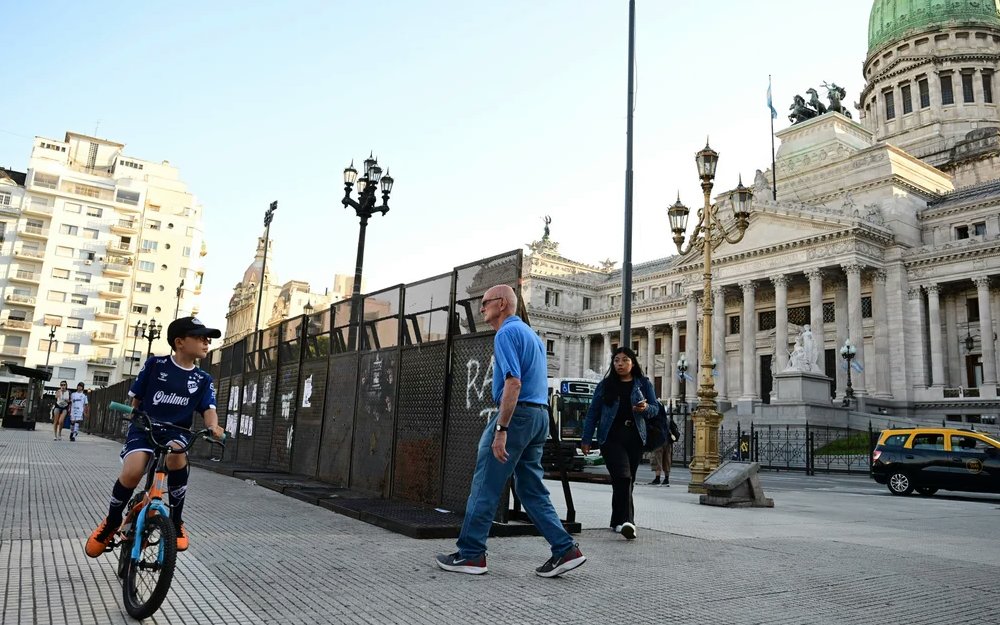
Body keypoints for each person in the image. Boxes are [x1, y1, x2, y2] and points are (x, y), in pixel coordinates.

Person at [436, 284, 585, 578]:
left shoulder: (505, 333)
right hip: (539, 416)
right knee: (530, 489)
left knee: (486, 485)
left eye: (485, 302)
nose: (481, 308)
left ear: (502, 303)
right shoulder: (532, 336)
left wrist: (501, 428)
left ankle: (471, 554)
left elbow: (513, 382)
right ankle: (565, 548)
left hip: (517, 417)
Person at [86, 316, 223, 558]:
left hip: (176, 431)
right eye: (200, 337)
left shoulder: (203, 379)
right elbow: (136, 399)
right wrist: (134, 416)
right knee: (133, 471)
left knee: (176, 455)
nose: (206, 342)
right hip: (145, 427)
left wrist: (214, 426)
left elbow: (209, 409)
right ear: (179, 342)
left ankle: (176, 521)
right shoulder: (155, 364)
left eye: (207, 339)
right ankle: (111, 521)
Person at [581, 347, 661, 539]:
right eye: (616, 360)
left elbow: (655, 409)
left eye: (625, 360)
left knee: (625, 481)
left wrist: (645, 408)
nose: (620, 364)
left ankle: (617, 520)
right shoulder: (605, 385)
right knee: (624, 477)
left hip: (635, 438)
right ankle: (628, 522)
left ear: (633, 363)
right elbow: (593, 413)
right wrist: (586, 438)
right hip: (611, 437)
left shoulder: (643, 383)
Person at [647, 413, 680, 486]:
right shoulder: (668, 420)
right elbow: (675, 430)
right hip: (668, 442)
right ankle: (666, 479)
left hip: (658, 442)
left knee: (657, 460)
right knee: (667, 460)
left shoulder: (655, 420)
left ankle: (657, 478)